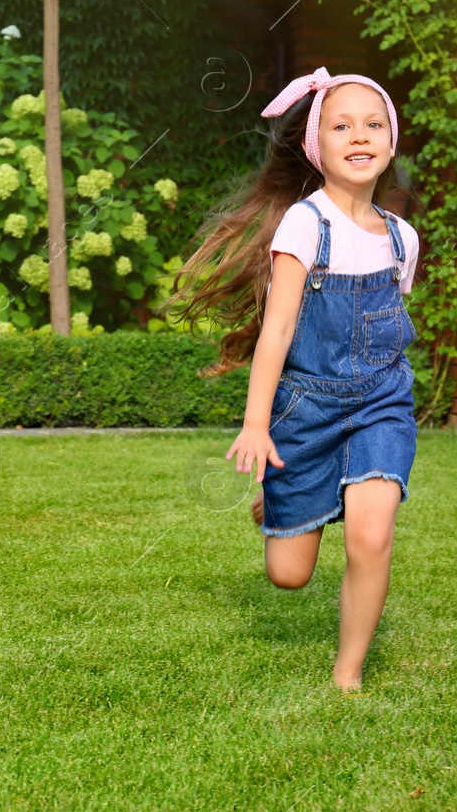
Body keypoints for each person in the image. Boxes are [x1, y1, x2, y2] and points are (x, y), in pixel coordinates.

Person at [162, 66, 419, 692]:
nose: (359, 135)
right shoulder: (305, 225)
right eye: (341, 125)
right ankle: (286, 497)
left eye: (373, 123)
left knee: (370, 531)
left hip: (383, 401)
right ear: (316, 145)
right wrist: (256, 422)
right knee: (288, 574)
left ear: (390, 142)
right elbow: (276, 332)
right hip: (306, 409)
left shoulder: (401, 238)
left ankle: (347, 675)